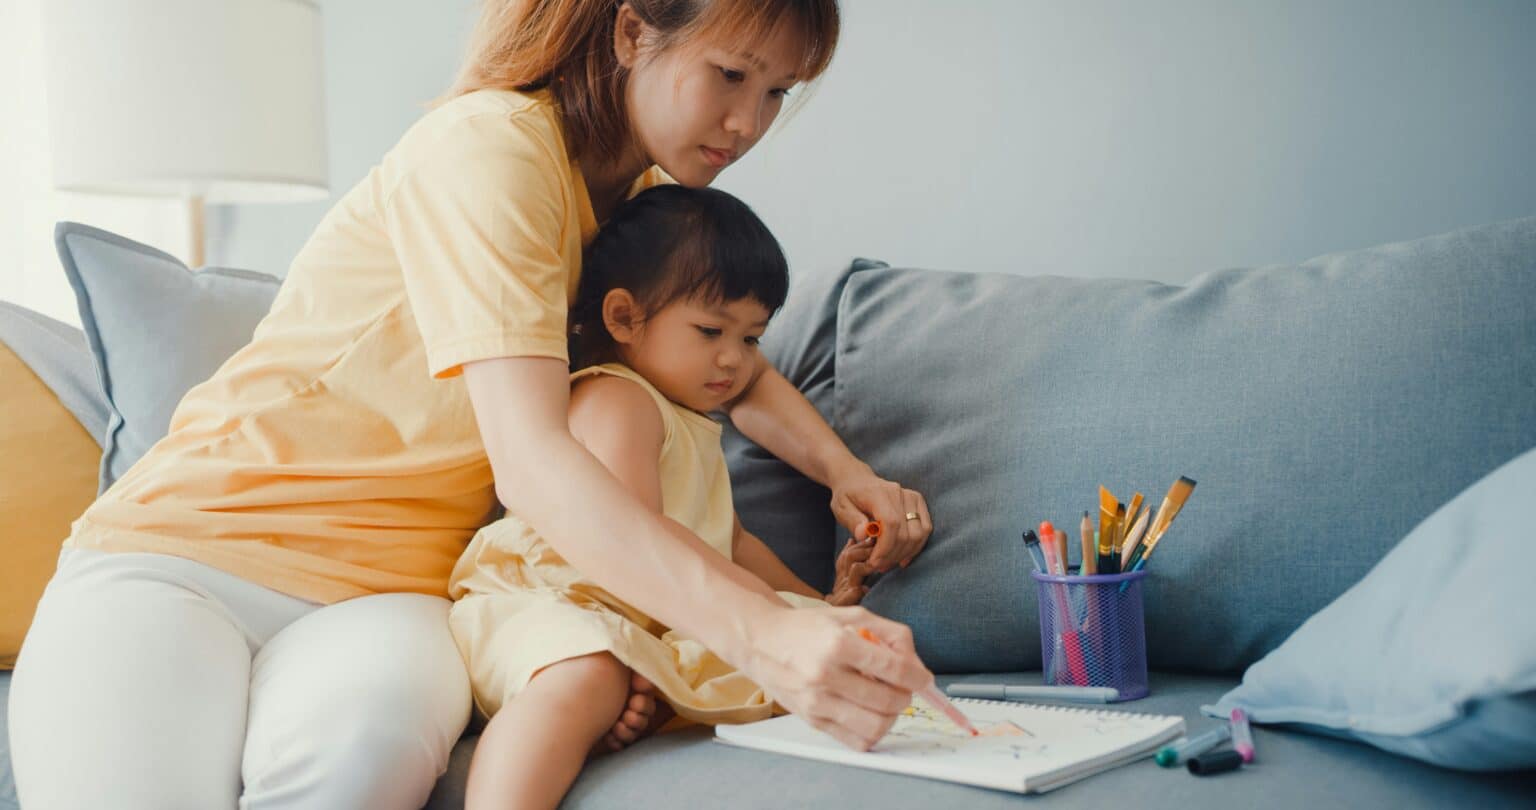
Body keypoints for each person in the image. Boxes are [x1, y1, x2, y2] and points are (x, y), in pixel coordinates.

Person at [9, 2, 936, 808]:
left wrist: (845, 474)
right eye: (730, 73)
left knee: (355, 764)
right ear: (629, 32)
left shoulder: (644, 208)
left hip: (393, 598)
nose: (747, 121)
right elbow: (535, 463)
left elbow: (742, 371)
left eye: (778, 91)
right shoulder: (491, 146)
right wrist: (768, 633)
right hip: (186, 550)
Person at [451, 183, 884, 809]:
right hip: (547, 600)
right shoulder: (616, 397)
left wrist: (815, 605)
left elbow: (730, 542)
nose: (735, 360)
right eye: (712, 330)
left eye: (753, 338)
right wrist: (773, 614)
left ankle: (634, 706)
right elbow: (638, 532)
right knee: (587, 673)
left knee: (841, 649)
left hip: (641, 613)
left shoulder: (693, 420)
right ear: (625, 318)